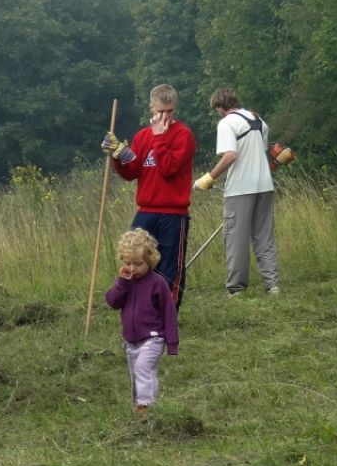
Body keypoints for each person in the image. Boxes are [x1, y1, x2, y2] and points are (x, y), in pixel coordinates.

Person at [101, 83, 196, 310]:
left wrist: (160, 138)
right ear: (151, 107)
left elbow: (169, 169)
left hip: (174, 214)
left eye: (169, 111)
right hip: (145, 211)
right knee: (134, 259)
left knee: (169, 268)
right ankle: (138, 307)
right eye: (160, 111)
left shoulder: (184, 135)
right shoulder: (142, 137)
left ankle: (167, 314)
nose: (164, 116)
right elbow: (132, 172)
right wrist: (118, 155)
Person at [194, 88, 280, 297]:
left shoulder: (226, 123)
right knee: (264, 236)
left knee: (236, 238)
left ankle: (236, 288)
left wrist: (209, 178)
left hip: (240, 189)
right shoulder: (260, 121)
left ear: (220, 107)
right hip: (265, 186)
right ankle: (273, 286)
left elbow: (231, 155)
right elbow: (261, 155)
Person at [105, 228, 179, 415]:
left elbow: (169, 313)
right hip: (131, 342)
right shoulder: (124, 283)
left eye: (138, 264)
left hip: (153, 339)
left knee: (143, 367)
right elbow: (112, 302)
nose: (132, 268)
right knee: (136, 375)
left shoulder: (157, 283)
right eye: (127, 263)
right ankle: (141, 407)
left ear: (149, 261)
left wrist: (172, 343)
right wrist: (122, 283)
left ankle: (145, 405)